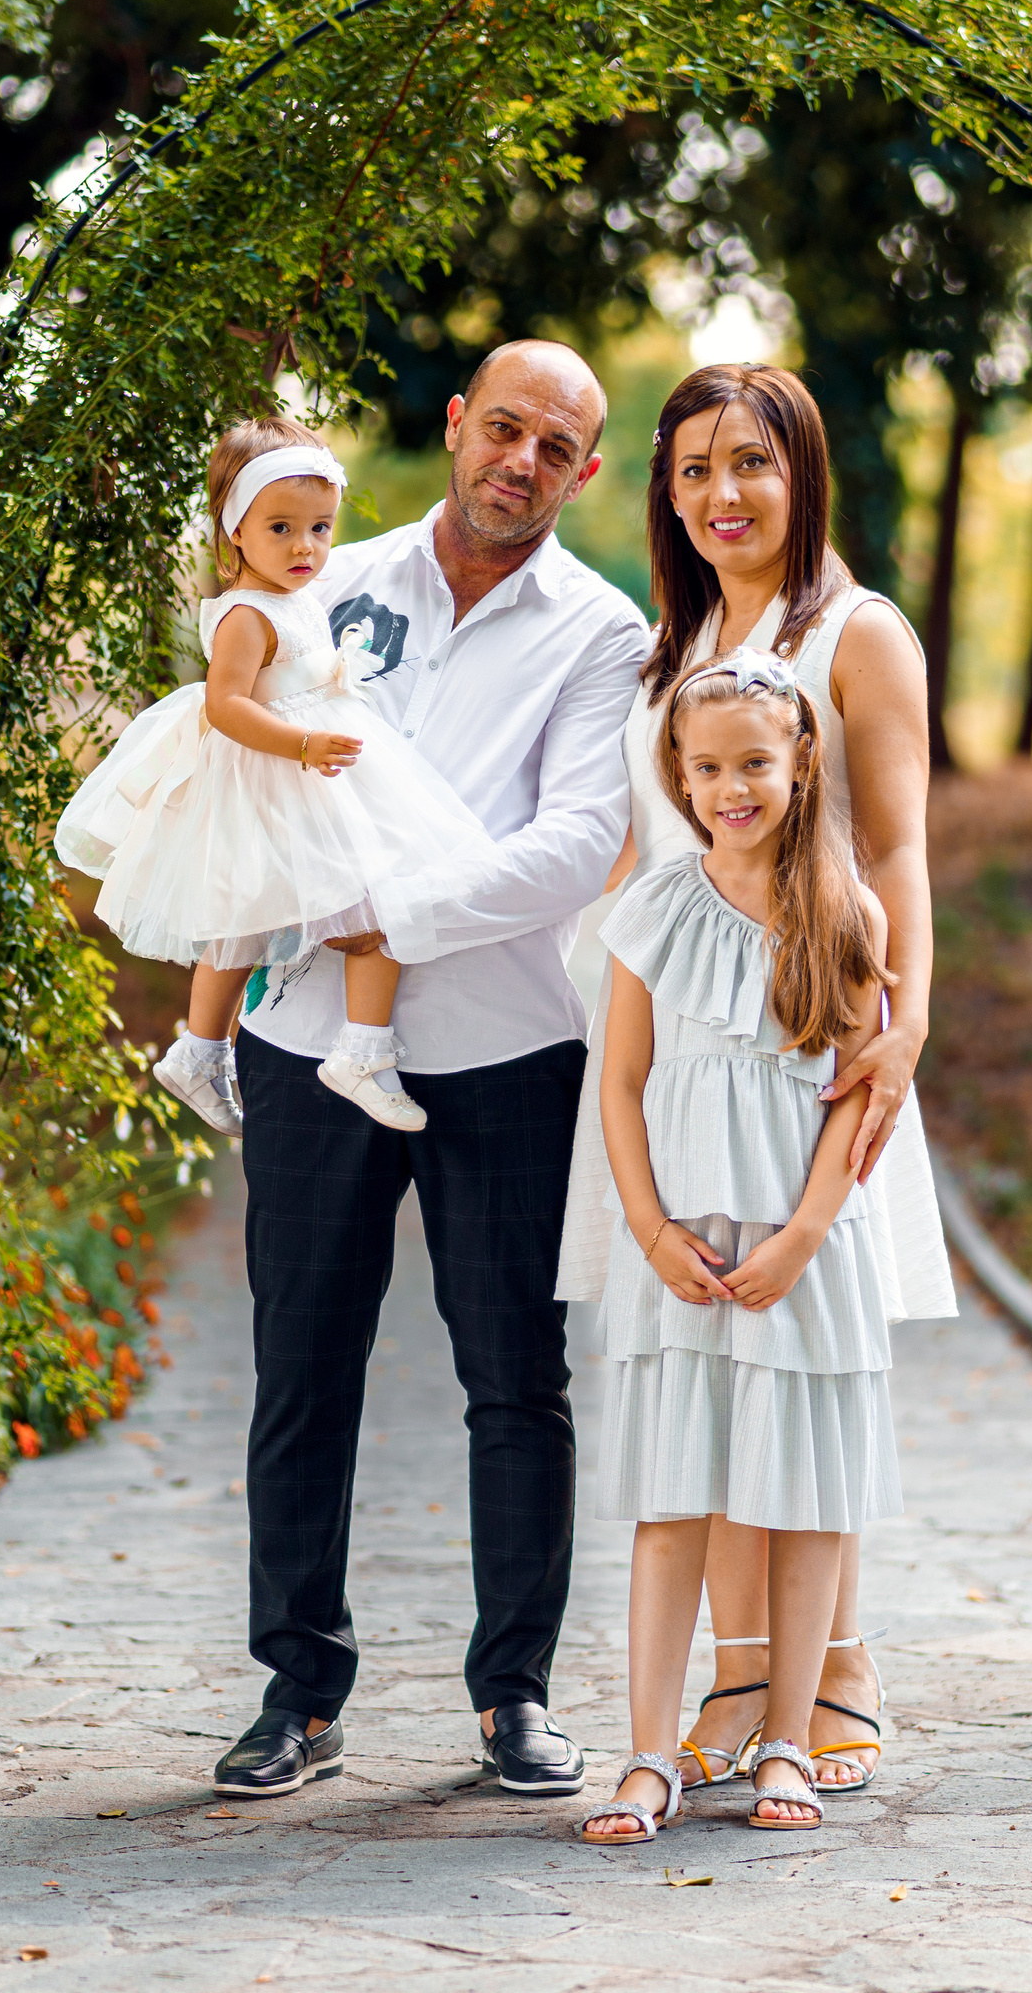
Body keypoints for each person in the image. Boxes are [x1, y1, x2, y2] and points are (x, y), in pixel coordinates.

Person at [210, 340, 648, 1802]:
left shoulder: (601, 635)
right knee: (303, 1361)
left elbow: (580, 841)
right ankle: (298, 1686)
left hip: (508, 1046)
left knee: (516, 1375)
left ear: (584, 473)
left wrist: (392, 909)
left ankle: (512, 1690)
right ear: (458, 426)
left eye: (558, 447)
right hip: (304, 1034)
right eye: (505, 427)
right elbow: (248, 766)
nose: (523, 460)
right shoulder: (322, 576)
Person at [555, 362, 956, 1798]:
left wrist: (900, 1027)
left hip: (803, 1037)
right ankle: (734, 1678)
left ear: (803, 471)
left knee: (801, 1355)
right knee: (702, 1353)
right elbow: (638, 853)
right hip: (674, 1044)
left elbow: (898, 847)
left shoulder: (858, 634)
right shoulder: (671, 646)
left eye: (753, 464)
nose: (724, 495)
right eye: (693, 471)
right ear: (666, 495)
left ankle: (831, 1673)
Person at [577, 648, 899, 1842]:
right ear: (677, 770)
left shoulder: (845, 910)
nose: (730, 787)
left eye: (753, 762)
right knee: (676, 1500)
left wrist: (805, 1235)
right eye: (706, 766)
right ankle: (650, 1752)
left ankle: (786, 1739)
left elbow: (858, 1097)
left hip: (800, 1255)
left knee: (802, 1496)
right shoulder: (651, 907)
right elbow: (619, 1083)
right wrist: (651, 1232)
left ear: (800, 757)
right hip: (685, 1251)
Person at [54, 418, 494, 1135]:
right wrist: (301, 744)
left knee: (358, 906)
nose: (305, 548)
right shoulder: (246, 616)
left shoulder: (299, 598)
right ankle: (307, 1048)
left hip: (316, 765)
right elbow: (224, 705)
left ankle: (224, 1047)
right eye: (282, 528)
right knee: (312, 914)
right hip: (273, 771)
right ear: (235, 532)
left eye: (320, 528)